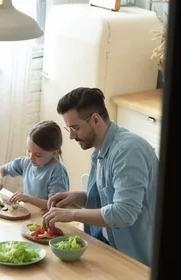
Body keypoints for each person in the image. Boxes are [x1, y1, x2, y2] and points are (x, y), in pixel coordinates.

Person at [42, 88, 158, 267]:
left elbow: (123, 213)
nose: (72, 136)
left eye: (75, 128)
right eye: (69, 129)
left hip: (135, 260)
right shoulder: (100, 150)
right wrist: (77, 198)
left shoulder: (127, 152)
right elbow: (109, 200)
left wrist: (72, 214)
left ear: (95, 119)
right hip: (106, 247)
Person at [0, 120, 70, 210]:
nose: (31, 158)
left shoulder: (57, 171)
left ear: (55, 152)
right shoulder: (26, 162)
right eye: (29, 151)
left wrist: (28, 199)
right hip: (29, 214)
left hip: (47, 219)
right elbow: (0, 170)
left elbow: (54, 205)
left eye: (38, 155)